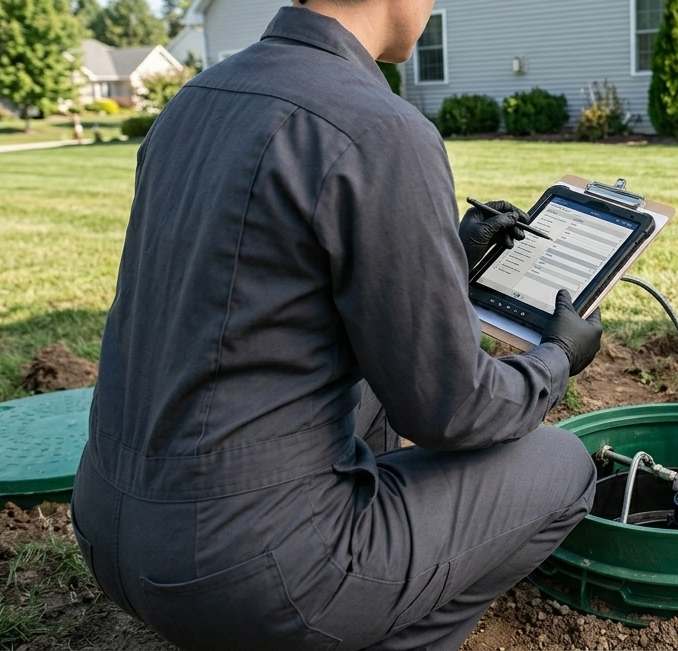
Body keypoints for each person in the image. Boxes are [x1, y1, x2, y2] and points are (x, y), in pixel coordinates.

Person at [69, 0, 604, 649]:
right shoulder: (378, 127)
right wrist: (556, 358)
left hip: (112, 531)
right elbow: (450, 410)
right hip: (247, 576)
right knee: (565, 465)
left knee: (371, 374)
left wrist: (449, 258)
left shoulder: (194, 100)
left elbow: (260, 286)